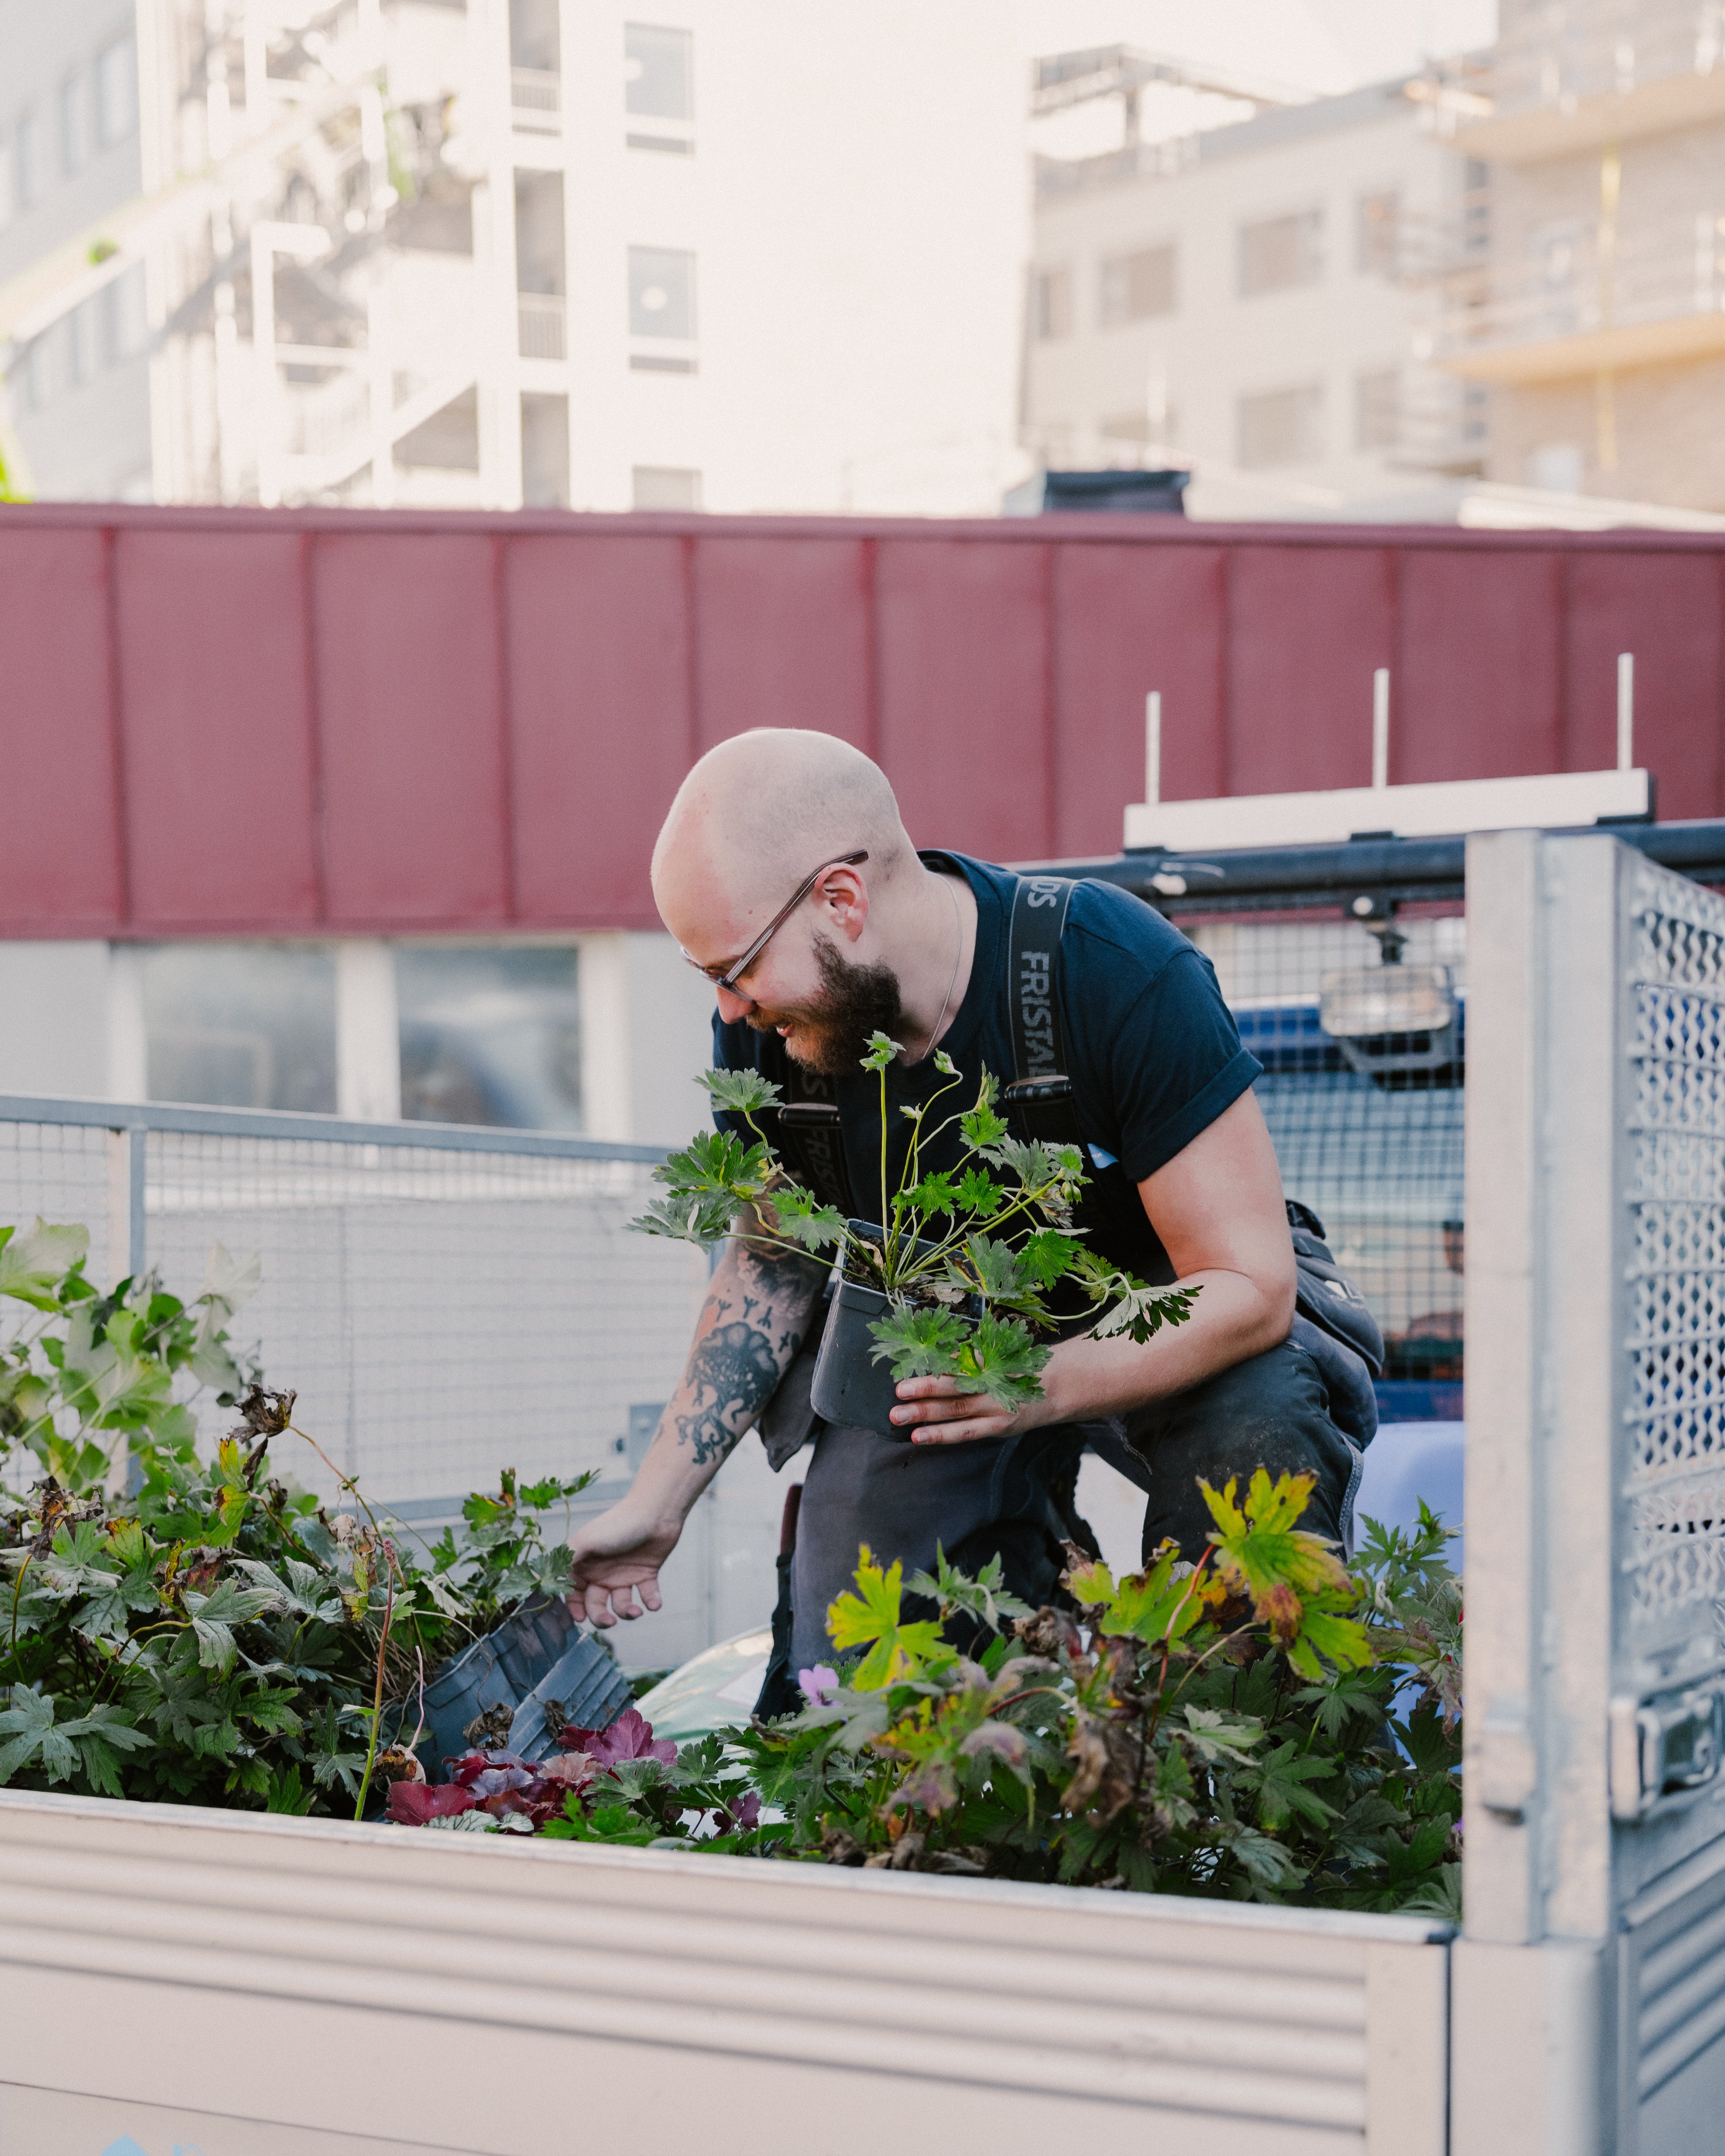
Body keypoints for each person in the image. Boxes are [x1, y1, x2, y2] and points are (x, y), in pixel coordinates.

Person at [567, 729, 1368, 1691]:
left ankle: (1219, 1761)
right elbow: (777, 1256)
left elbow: (1249, 1284)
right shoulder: (773, 1044)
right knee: (860, 1648)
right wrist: (662, 1501)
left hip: (1170, 1315)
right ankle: (994, 1753)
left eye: (734, 970)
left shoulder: (1107, 969)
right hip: (946, 1336)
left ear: (841, 901)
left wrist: (1046, 1384)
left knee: (1253, 1447)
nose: (732, 1011)